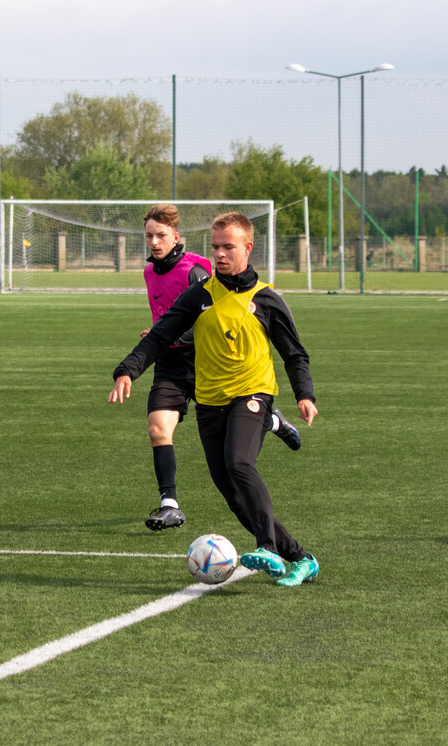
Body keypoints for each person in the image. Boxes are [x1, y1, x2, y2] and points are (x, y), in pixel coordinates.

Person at [109, 212, 320, 586]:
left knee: (239, 462)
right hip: (209, 401)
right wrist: (128, 369)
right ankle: (302, 558)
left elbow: (294, 354)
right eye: (216, 247)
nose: (220, 254)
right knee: (233, 494)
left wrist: (305, 394)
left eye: (229, 247)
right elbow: (160, 336)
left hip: (253, 393)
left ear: (248, 248)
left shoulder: (266, 299)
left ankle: (268, 547)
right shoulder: (200, 295)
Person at [135, 204, 212, 531]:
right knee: (157, 429)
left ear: (176, 236)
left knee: (226, 445)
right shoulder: (149, 272)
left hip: (207, 361)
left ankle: (271, 418)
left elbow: (211, 322)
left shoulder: (195, 271)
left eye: (161, 235)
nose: (154, 241)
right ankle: (170, 505)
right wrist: (159, 335)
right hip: (169, 362)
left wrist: (165, 333)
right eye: (149, 235)